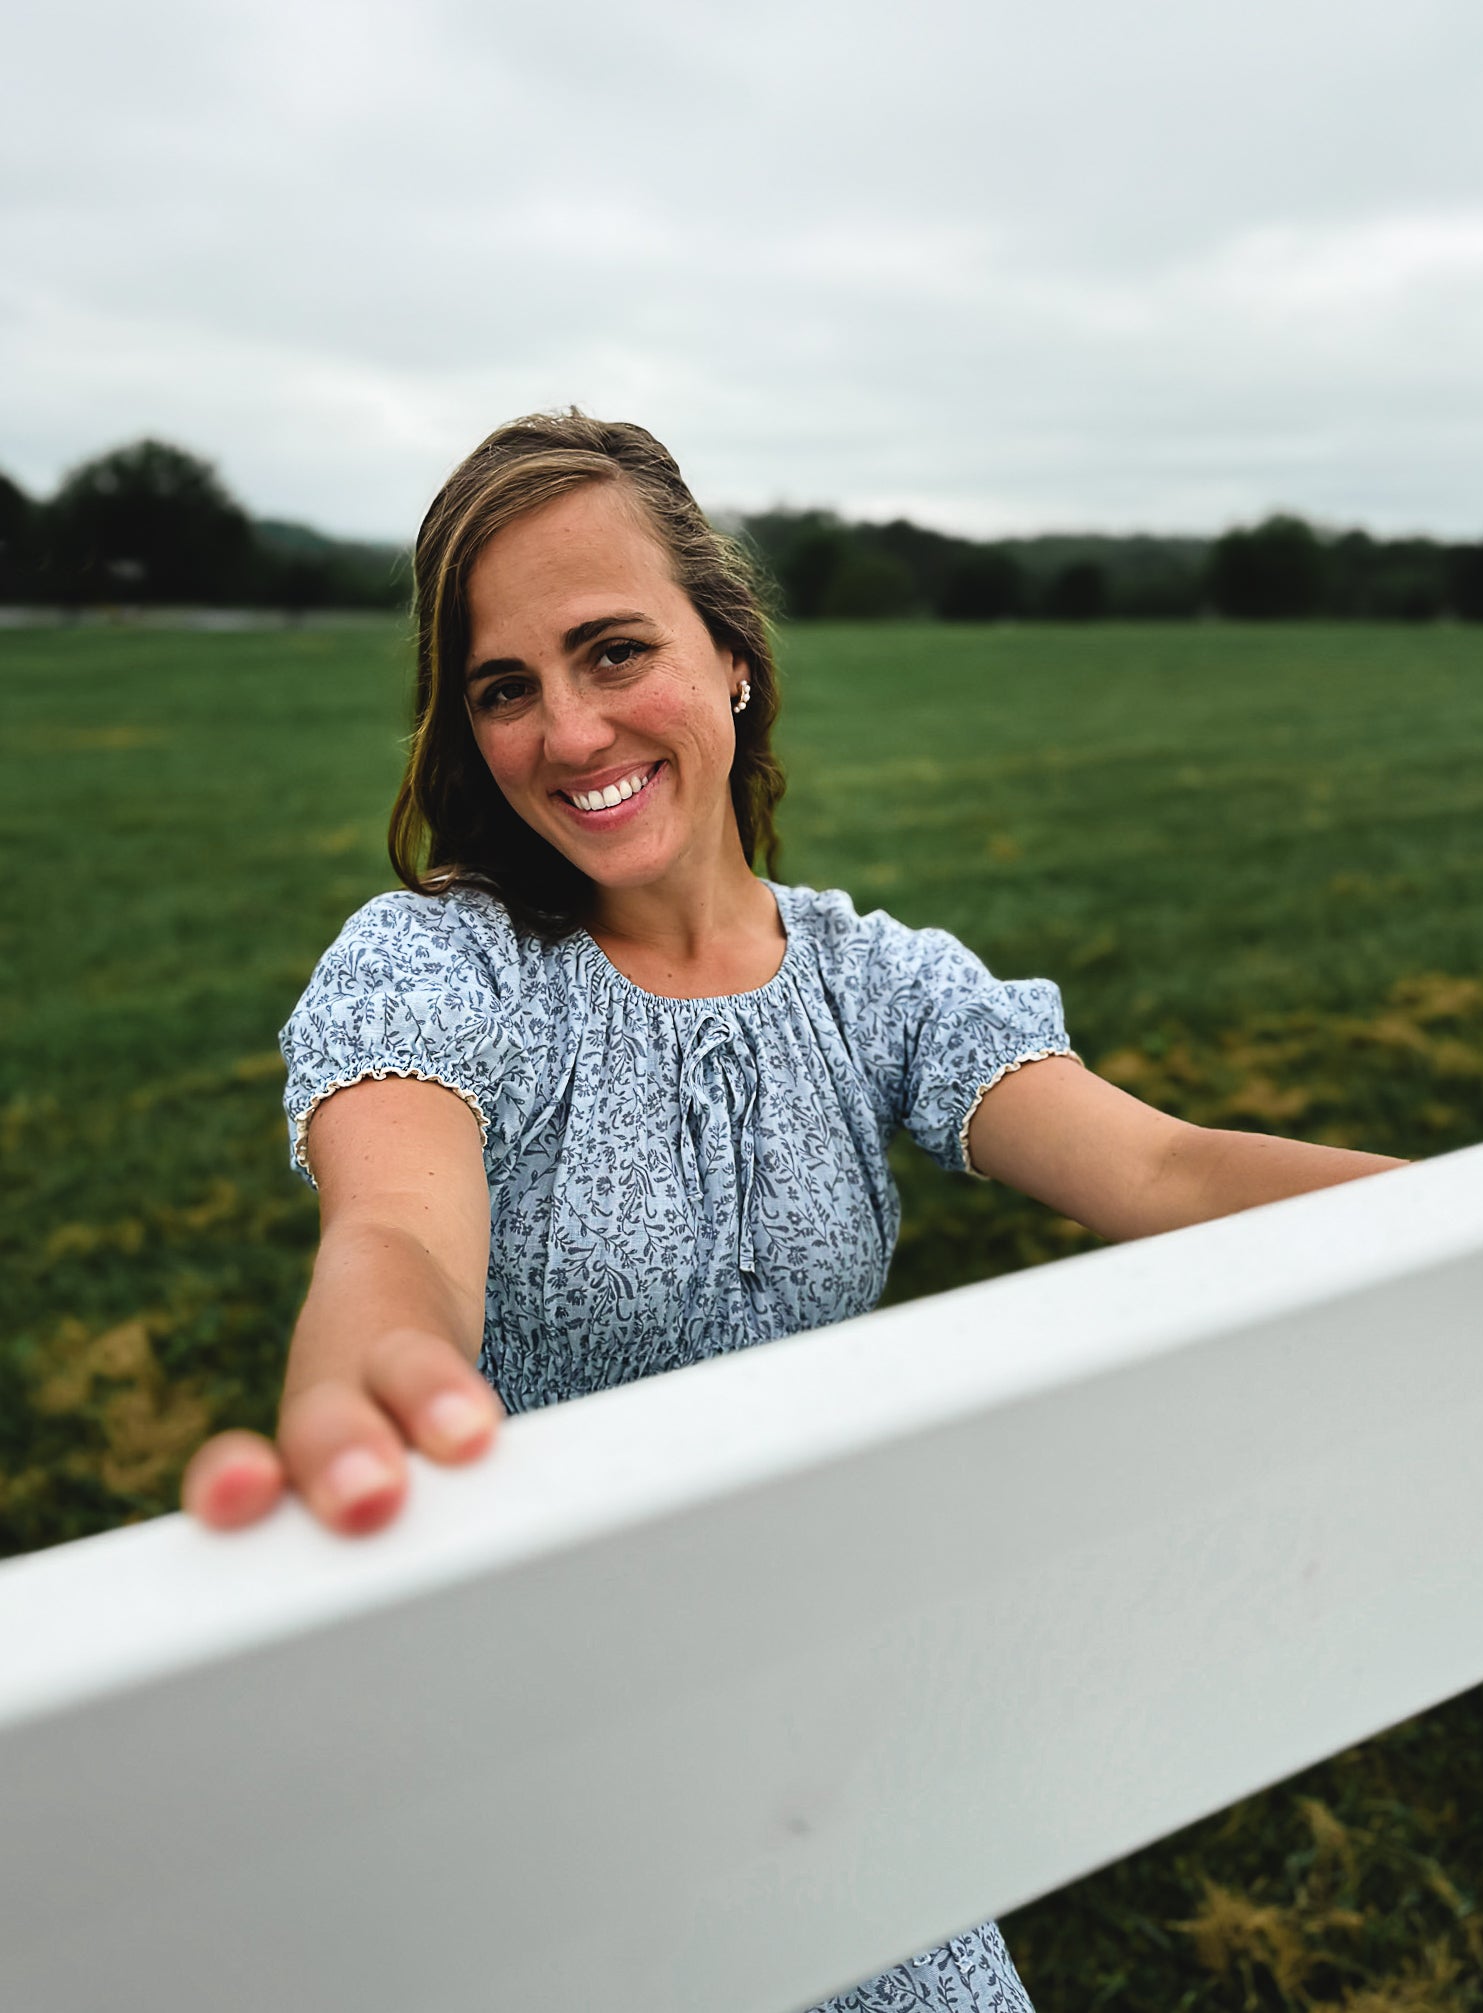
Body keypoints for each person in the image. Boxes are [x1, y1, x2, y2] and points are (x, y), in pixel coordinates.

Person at [182, 410, 1406, 2012]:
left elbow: (1163, 1168)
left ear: (731, 655)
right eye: (503, 687)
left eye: (613, 651)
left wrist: (1471, 1223)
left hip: (810, 1737)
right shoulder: (440, 965)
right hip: (526, 1753)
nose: (565, 732)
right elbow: (398, 1231)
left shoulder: (869, 980)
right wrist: (379, 1367)